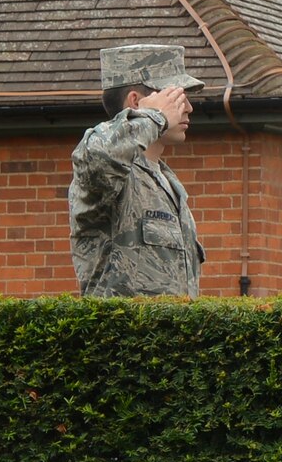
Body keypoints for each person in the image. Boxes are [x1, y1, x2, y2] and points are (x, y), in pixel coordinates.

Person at [68, 42, 207, 297]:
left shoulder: (166, 182)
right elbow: (98, 156)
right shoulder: (111, 171)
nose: (188, 108)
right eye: (176, 97)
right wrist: (153, 116)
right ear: (136, 101)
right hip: (122, 336)